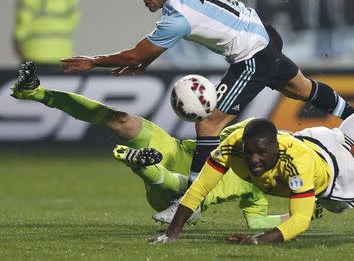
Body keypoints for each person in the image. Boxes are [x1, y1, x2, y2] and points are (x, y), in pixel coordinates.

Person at [59, 0, 354, 196]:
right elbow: (153, 49)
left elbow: (138, 53)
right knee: (300, 88)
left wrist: (93, 60)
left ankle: (190, 200)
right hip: (264, 34)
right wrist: (146, 59)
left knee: (208, 122)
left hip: (251, 54)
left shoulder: (177, 17)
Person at [10, 61, 324, 229]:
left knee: (182, 187)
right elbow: (216, 124)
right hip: (178, 150)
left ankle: (143, 165)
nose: (260, 161)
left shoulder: (254, 188)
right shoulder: (253, 137)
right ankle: (35, 92)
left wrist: (299, 215)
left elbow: (257, 221)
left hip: (172, 196)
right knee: (120, 120)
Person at [149, 68, 354, 244]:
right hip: (315, 138)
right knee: (342, 135)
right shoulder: (234, 145)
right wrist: (171, 234)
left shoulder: (296, 167)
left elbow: (299, 222)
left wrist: (257, 240)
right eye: (250, 152)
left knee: (350, 199)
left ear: (276, 149)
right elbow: (199, 188)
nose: (254, 159)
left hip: (333, 172)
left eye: (261, 153)